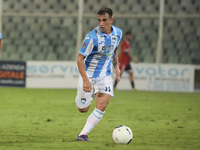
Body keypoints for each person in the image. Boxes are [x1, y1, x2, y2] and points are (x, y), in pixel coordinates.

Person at [75, 7, 122, 141]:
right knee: (83, 109)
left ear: (111, 20)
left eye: (104, 20)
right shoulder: (91, 37)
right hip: (88, 75)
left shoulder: (118, 33)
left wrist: (116, 66)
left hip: (105, 75)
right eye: (99, 20)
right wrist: (85, 80)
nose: (101, 23)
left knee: (103, 103)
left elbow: (115, 48)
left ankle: (82, 134)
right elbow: (79, 59)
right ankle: (80, 98)